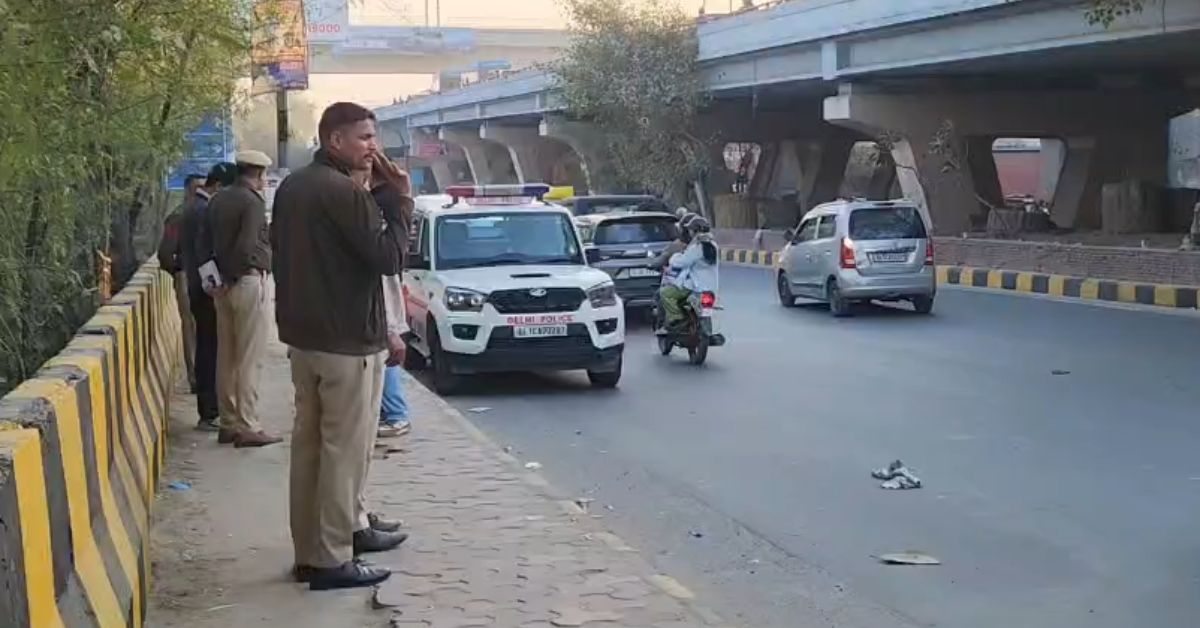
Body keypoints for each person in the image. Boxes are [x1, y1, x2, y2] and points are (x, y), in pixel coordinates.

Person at [272, 102, 409, 591]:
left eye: (373, 137)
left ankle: (310, 552)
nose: (373, 147)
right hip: (346, 342)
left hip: (305, 339)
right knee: (343, 455)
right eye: (364, 138)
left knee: (310, 452)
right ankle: (333, 560)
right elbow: (388, 259)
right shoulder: (342, 193)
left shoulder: (293, 187)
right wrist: (395, 203)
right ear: (334, 141)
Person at [209, 150, 282, 448]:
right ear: (259, 174)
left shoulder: (219, 200)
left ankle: (227, 422)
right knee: (250, 358)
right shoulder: (251, 202)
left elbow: (209, 242)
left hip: (221, 286)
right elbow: (246, 244)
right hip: (247, 281)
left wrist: (221, 278)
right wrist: (236, 274)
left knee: (226, 357)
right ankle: (248, 424)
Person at [179, 163, 237, 431]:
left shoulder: (191, 208)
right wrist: (216, 285)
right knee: (211, 350)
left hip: (196, 284)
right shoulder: (204, 211)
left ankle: (210, 409)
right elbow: (206, 253)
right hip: (206, 289)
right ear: (220, 187)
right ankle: (210, 410)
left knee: (207, 347)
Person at [157, 174, 204, 392]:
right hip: (192, 274)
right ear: (187, 190)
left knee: (194, 327)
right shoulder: (181, 217)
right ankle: (197, 377)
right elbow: (165, 253)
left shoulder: (183, 215)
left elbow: (165, 254)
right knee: (194, 326)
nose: (199, 192)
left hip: (191, 273)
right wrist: (177, 271)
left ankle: (198, 377)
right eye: (196, 188)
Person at [658, 215, 719, 333]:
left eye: (691, 230)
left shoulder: (697, 247)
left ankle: (677, 317)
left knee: (665, 293)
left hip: (695, 287)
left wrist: (674, 257)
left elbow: (681, 262)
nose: (689, 232)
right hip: (711, 288)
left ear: (695, 231)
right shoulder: (713, 246)